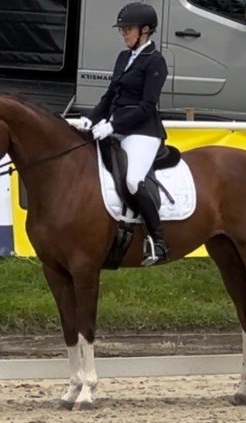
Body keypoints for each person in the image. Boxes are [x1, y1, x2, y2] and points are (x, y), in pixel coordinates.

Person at [75, 2, 169, 267]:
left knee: (132, 181)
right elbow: (109, 97)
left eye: (128, 29)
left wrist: (114, 126)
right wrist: (90, 119)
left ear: (146, 30)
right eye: (123, 30)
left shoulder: (155, 61)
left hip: (143, 132)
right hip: (115, 128)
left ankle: (158, 240)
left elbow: (147, 106)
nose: (123, 34)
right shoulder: (123, 58)